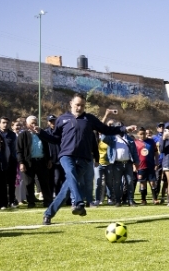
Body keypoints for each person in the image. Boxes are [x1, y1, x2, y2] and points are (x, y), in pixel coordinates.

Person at [38, 96, 130, 225]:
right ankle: (78, 203)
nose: (79, 107)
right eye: (77, 104)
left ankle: (48, 214)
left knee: (67, 188)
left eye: (82, 105)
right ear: (71, 103)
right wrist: (41, 133)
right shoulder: (62, 119)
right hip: (67, 155)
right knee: (70, 173)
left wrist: (124, 129)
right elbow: (55, 138)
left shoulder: (89, 119)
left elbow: (106, 129)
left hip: (84, 158)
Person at [17, 115, 52, 208]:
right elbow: (19, 150)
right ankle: (31, 202)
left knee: (44, 182)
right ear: (27, 124)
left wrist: (49, 159)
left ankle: (47, 201)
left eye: (35, 123)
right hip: (29, 162)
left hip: (41, 161)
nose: (34, 125)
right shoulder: (23, 135)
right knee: (29, 183)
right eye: (32, 123)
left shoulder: (42, 133)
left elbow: (47, 148)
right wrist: (21, 163)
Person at [103, 124, 139, 206]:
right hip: (116, 164)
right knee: (117, 183)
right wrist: (107, 128)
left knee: (130, 182)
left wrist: (136, 162)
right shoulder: (112, 138)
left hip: (128, 163)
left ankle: (130, 200)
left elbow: (134, 152)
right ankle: (118, 201)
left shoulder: (129, 139)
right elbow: (103, 138)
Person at [0, 117, 19, 208]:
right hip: (0, 161)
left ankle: (12, 201)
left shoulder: (12, 134)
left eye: (7, 123)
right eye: (3, 122)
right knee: (2, 183)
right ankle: (3, 202)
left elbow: (14, 148)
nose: (5, 124)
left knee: (11, 183)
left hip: (11, 161)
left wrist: (15, 158)